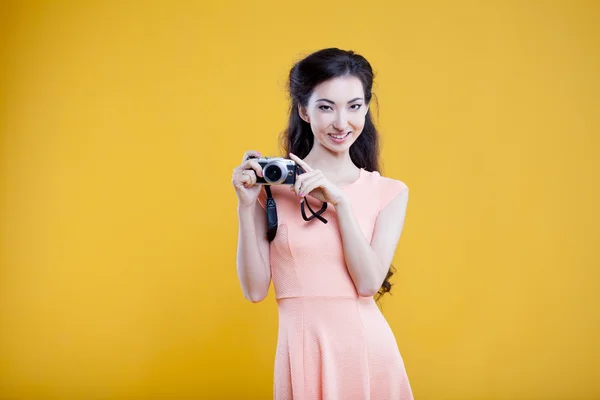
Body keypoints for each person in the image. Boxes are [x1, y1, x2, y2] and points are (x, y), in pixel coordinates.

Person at [231, 48, 414, 400]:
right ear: (304, 110)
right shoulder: (271, 190)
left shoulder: (388, 192)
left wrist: (340, 204)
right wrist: (244, 206)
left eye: (355, 106)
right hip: (302, 351)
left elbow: (367, 283)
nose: (342, 122)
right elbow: (255, 291)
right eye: (326, 107)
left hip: (366, 353)